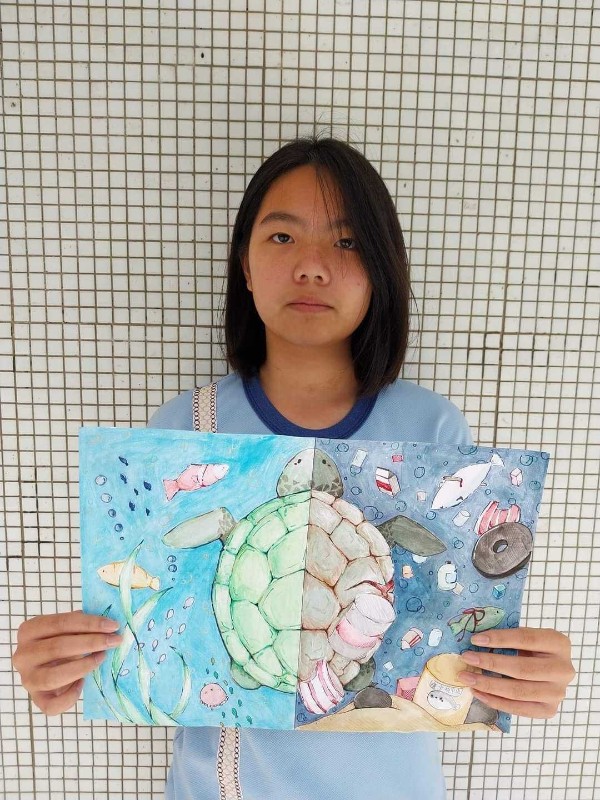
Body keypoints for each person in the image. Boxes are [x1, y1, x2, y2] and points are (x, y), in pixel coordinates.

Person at [12, 133, 575, 800]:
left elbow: (446, 634)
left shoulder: (433, 434)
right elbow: (154, 633)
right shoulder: (185, 430)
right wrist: (72, 667)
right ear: (245, 266)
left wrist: (518, 672)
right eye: (282, 237)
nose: (312, 266)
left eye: (347, 242)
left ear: (382, 269)